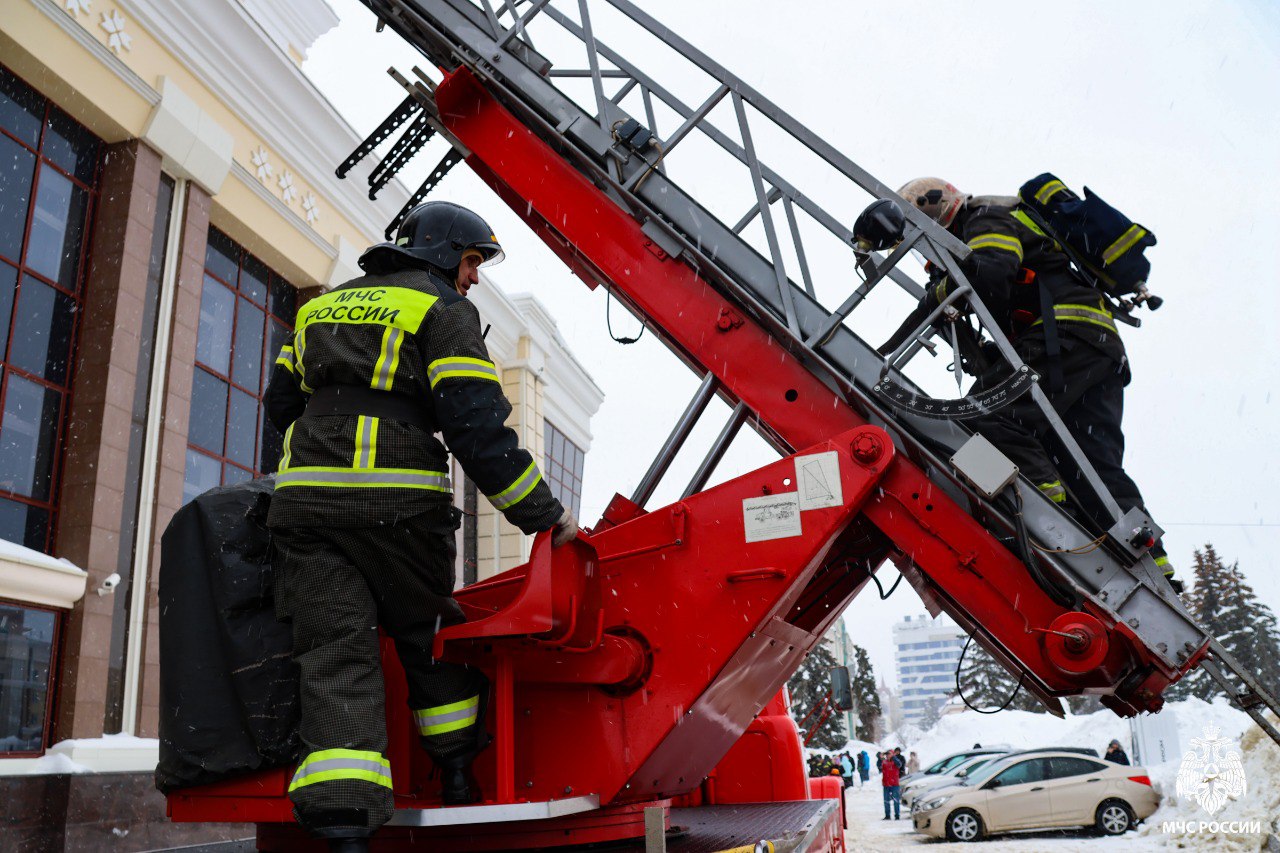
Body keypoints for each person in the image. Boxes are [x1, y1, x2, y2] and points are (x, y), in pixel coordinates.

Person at [264, 201, 578, 851]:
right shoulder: (442, 310)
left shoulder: (320, 307)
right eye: (472, 260)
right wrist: (544, 516)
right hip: (400, 509)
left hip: (306, 509)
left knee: (334, 654)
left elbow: (282, 406)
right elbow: (475, 429)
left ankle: (346, 828)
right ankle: (457, 773)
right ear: (441, 251)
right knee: (427, 637)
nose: (475, 277)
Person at [881, 178, 1180, 592]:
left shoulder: (984, 217)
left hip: (1065, 338)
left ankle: (1045, 511)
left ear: (935, 215)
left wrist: (940, 296)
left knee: (978, 417)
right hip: (1097, 347)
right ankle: (1152, 567)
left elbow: (993, 272)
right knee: (1090, 463)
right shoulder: (996, 220)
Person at [881, 749, 902, 820]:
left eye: (889, 754)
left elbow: (899, 765)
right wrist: (881, 757)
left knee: (896, 800)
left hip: (894, 784)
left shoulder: (895, 761)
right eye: (887, 754)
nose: (887, 755)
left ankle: (897, 815)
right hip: (886, 784)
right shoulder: (884, 762)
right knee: (886, 800)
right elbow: (880, 767)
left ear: (892, 754)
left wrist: (893, 757)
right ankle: (887, 815)